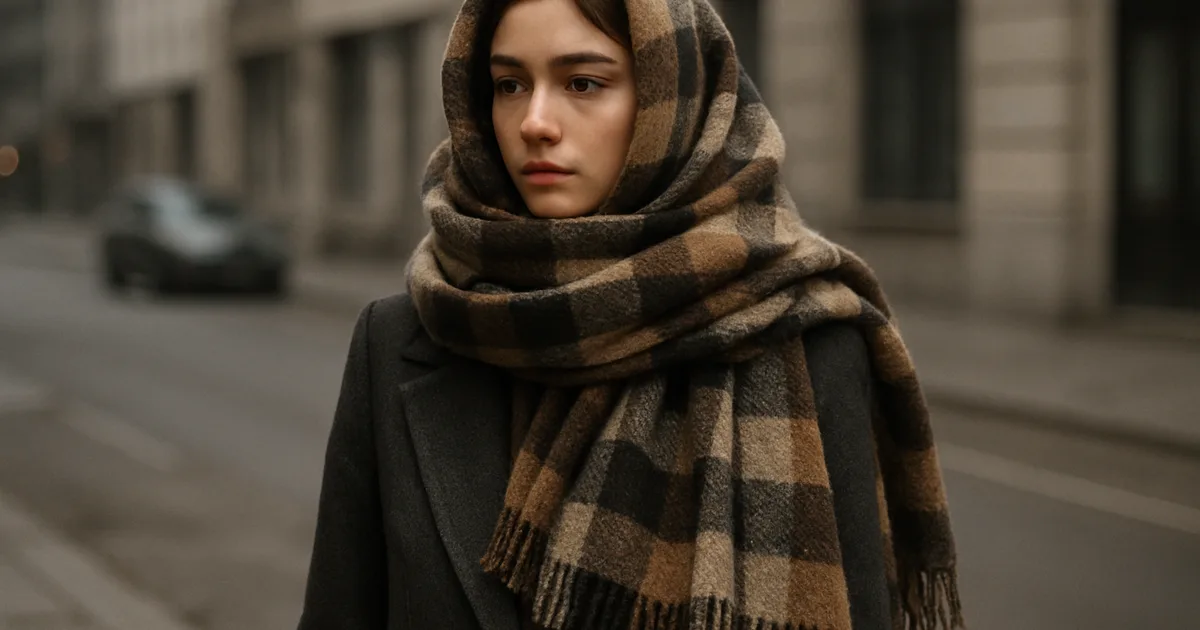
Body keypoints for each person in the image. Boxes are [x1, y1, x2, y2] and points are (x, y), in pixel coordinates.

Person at [297, 0, 965, 629]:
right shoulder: (397, 341)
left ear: (669, 101)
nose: (534, 121)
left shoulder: (809, 340)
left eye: (583, 83)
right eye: (508, 85)